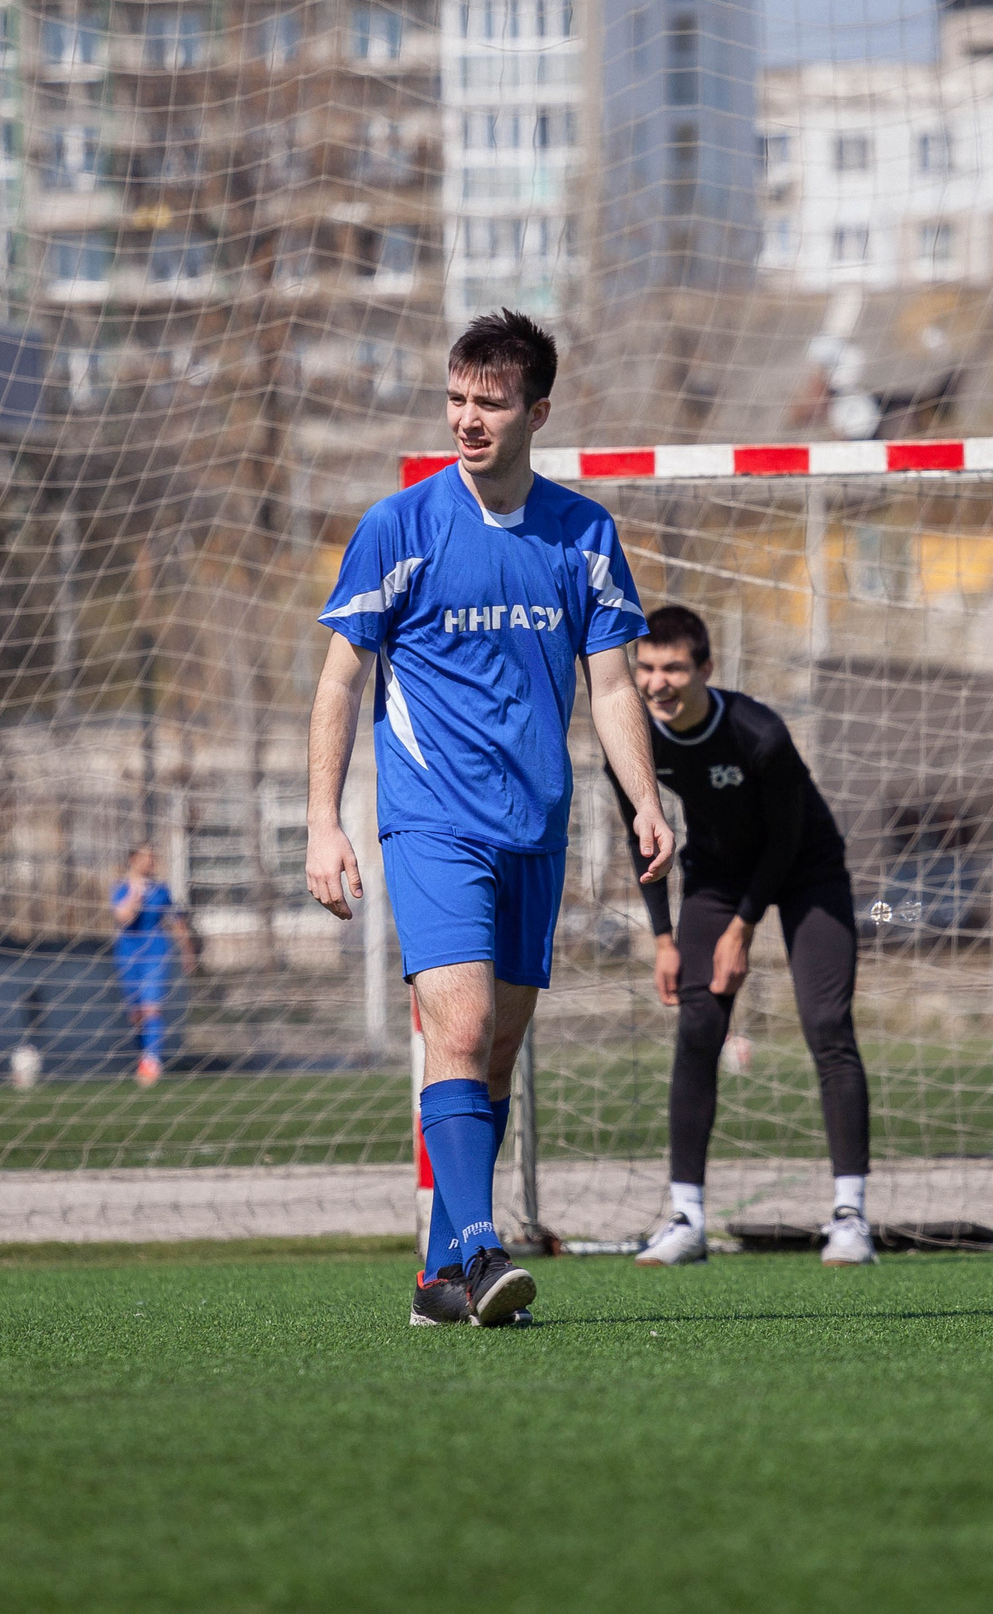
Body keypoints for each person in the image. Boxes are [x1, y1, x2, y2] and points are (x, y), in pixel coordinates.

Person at [305, 309, 671, 1329]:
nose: (466, 420)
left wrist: (645, 799)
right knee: (456, 1028)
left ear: (536, 412)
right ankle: (475, 1245)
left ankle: (436, 1283)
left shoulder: (583, 534)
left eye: (490, 403)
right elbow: (341, 681)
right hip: (431, 824)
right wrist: (322, 823)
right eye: (455, 399)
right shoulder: (399, 528)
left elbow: (609, 688)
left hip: (535, 830)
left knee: (495, 1052)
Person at [603, 606, 877, 1268]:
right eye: (645, 667)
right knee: (699, 1023)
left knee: (827, 1022)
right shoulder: (631, 740)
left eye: (672, 667)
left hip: (805, 868)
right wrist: (664, 938)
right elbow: (644, 838)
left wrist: (743, 930)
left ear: (705, 669)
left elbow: (785, 839)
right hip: (716, 874)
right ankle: (687, 1218)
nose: (656, 681)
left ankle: (850, 1216)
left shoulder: (760, 732)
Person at [110, 843, 197, 1087]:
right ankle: (143, 1057)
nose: (150, 861)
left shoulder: (161, 889)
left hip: (156, 949)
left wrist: (187, 951)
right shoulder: (120, 887)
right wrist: (136, 893)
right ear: (133, 859)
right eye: (145, 857)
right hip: (128, 952)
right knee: (136, 1014)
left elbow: (177, 921)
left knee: (152, 1008)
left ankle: (152, 1061)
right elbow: (123, 916)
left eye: (152, 857)